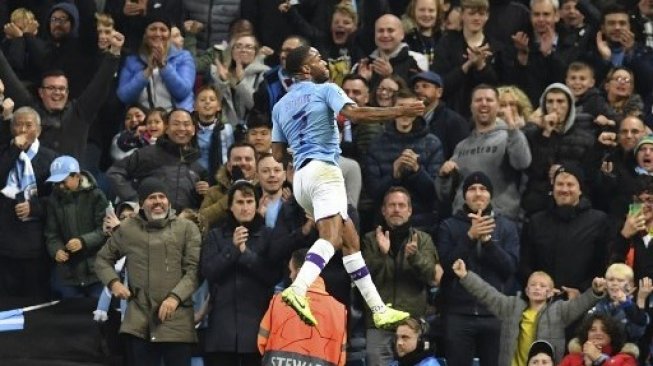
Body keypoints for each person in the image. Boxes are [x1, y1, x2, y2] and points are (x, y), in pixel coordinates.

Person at [271, 45, 425, 327]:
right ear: (306, 70)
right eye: (318, 58)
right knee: (331, 238)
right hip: (325, 171)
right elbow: (356, 115)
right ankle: (297, 288)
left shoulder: (280, 105)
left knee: (350, 240)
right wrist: (399, 110)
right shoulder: (326, 89)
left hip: (301, 179)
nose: (324, 62)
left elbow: (278, 154)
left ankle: (378, 308)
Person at [95, 177, 201, 366]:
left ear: (168, 201)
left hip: (177, 321)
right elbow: (102, 259)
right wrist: (114, 282)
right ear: (142, 203)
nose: (158, 201)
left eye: (162, 196)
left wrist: (174, 298)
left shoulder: (187, 229)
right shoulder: (127, 229)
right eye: (152, 197)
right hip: (138, 322)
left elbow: (194, 270)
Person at [452, 259, 606, 365]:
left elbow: (580, 304)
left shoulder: (559, 311)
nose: (537, 288)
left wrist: (595, 292)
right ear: (526, 289)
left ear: (551, 292)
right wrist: (466, 276)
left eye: (542, 285)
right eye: (533, 285)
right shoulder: (511, 306)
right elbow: (487, 293)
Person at [0, 29, 124, 160]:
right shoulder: (30, 109)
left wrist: (114, 52)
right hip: (33, 178)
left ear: (67, 92)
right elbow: (8, 77)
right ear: (41, 92)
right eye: (51, 88)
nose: (57, 93)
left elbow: (100, 84)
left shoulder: (80, 111)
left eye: (62, 88)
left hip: (70, 178)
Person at [437, 172, 520, 366]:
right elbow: (447, 267)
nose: (478, 193)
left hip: (495, 314)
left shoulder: (506, 226)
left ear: (490, 194)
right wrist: (469, 237)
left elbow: (510, 268)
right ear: (464, 195)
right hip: (458, 313)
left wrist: (488, 243)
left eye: (483, 189)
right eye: (472, 189)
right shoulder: (448, 226)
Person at [201, 180, 278, 366]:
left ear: (257, 204)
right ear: (230, 206)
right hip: (221, 335)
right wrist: (233, 249)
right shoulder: (215, 235)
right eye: (240, 202)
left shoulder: (268, 236)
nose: (245, 208)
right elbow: (209, 272)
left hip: (258, 332)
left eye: (249, 202)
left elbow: (272, 276)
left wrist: (246, 253)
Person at [361, 187, 439, 366]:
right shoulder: (370, 239)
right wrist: (381, 254)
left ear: (410, 210)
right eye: (392, 205)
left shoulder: (423, 239)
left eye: (402, 205)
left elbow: (432, 276)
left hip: (410, 323)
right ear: (383, 210)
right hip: (378, 324)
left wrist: (415, 257)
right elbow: (362, 278)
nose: (397, 209)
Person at [437, 84, 531, 221]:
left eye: (489, 100)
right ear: (471, 106)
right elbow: (444, 194)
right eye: (478, 100)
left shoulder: (510, 136)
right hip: (464, 220)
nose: (484, 104)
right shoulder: (461, 146)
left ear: (498, 106)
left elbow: (522, 163)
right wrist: (443, 176)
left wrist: (513, 129)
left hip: (499, 220)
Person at [520, 164, 610, 292]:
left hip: (583, 301)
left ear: (580, 189)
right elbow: (525, 264)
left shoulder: (598, 221)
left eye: (570, 184)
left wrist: (581, 291)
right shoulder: (536, 221)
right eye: (560, 184)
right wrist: (540, 288)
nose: (564, 189)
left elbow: (602, 265)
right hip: (543, 300)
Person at [0, 106, 58, 301]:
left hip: (36, 244)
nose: (23, 130)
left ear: (39, 130)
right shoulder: (4, 153)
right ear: (11, 129)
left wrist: (34, 207)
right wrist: (14, 150)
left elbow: (59, 200)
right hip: (5, 242)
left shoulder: (50, 159)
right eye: (18, 125)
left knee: (36, 302)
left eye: (28, 125)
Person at [365, 89, 443, 232]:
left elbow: (435, 194)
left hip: (424, 226)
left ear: (418, 111)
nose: (405, 112)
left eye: (410, 108)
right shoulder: (376, 145)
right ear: (392, 110)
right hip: (386, 227)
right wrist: (394, 175)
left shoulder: (432, 143)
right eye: (401, 107)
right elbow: (373, 194)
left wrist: (417, 171)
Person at [258, 248, 347, 366]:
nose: (289, 276)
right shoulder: (339, 310)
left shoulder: (279, 301)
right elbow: (341, 358)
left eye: (291, 270)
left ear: (300, 272)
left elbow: (261, 342)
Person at [107, 108, 209, 211]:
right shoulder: (147, 154)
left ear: (193, 130)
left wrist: (206, 194)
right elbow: (115, 172)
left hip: (184, 224)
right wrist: (135, 200)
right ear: (166, 129)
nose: (181, 128)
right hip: (149, 224)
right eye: (176, 124)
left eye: (186, 124)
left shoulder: (198, 165)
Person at [44, 156, 107, 298]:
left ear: (77, 176)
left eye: (63, 181)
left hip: (97, 271)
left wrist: (83, 241)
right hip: (68, 273)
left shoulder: (96, 196)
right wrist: (56, 250)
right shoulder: (53, 200)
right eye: (56, 183)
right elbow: (51, 234)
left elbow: (105, 230)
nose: (60, 186)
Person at [116, 15, 195, 111]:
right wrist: (147, 71)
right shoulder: (132, 61)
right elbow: (124, 97)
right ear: (145, 34)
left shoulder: (183, 57)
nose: (158, 33)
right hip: (145, 120)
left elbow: (183, 92)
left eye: (163, 30)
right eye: (153, 29)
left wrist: (163, 66)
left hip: (176, 119)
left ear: (169, 35)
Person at [587, 263, 650, 343]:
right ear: (605, 283)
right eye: (611, 279)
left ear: (630, 285)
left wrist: (625, 304)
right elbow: (587, 325)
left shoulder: (632, 307)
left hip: (623, 350)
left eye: (620, 280)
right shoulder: (600, 303)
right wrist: (611, 304)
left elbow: (637, 332)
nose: (614, 283)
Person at [200, 142, 258, 228]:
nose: (243, 163)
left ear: (256, 163)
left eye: (248, 159)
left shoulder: (265, 188)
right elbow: (201, 219)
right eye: (238, 159)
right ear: (229, 165)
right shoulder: (213, 191)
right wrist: (232, 195)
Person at [558, 313, 639, 366]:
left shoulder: (626, 359)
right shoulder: (571, 359)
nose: (598, 333)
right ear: (586, 334)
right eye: (593, 330)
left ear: (612, 334)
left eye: (604, 329)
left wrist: (599, 359)